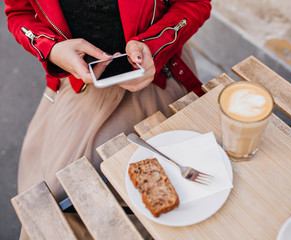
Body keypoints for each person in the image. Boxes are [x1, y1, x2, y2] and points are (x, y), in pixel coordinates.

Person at [4, 0, 211, 238]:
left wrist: (154, 47)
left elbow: (194, 3)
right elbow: (19, 13)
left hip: (155, 74)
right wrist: (51, 49)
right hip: (78, 83)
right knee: (56, 201)